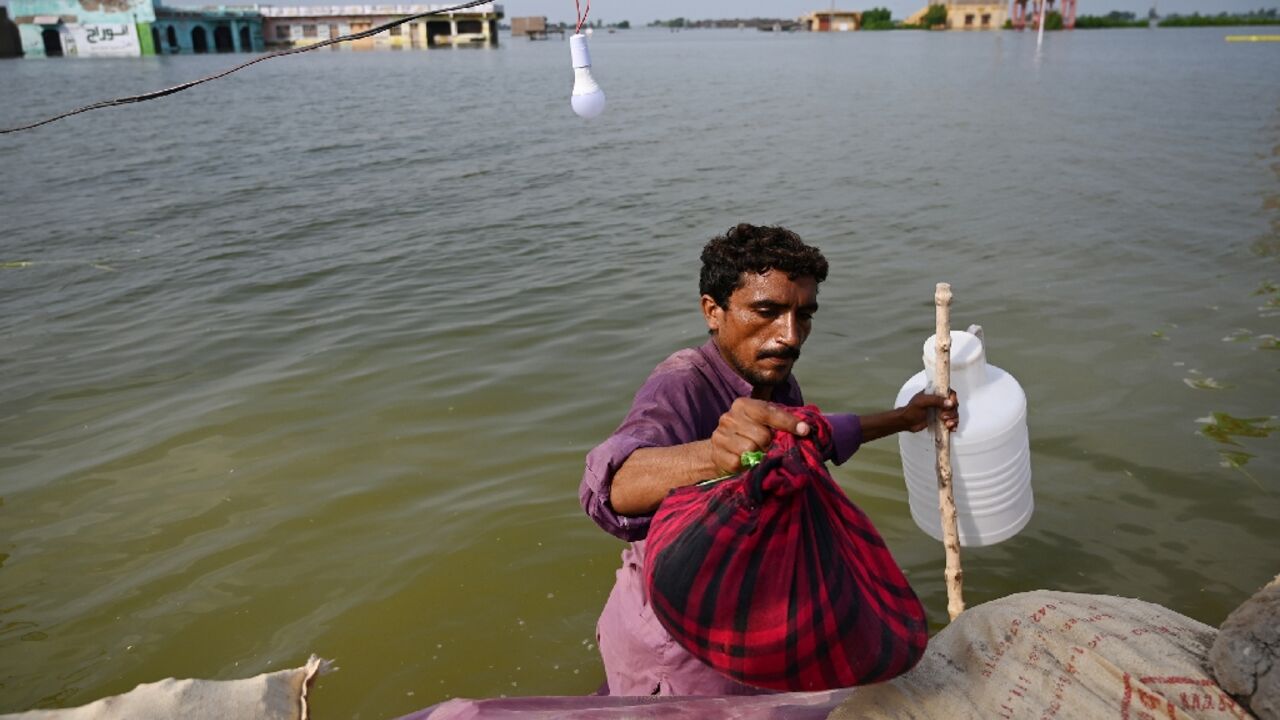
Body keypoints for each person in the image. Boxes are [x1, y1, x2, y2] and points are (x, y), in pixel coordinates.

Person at [579, 223, 959, 696]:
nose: (790, 336)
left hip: (743, 610)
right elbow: (614, 484)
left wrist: (904, 418)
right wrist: (714, 456)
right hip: (676, 642)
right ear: (713, 312)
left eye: (804, 315)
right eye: (767, 311)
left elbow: (813, 436)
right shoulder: (681, 384)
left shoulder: (775, 381)